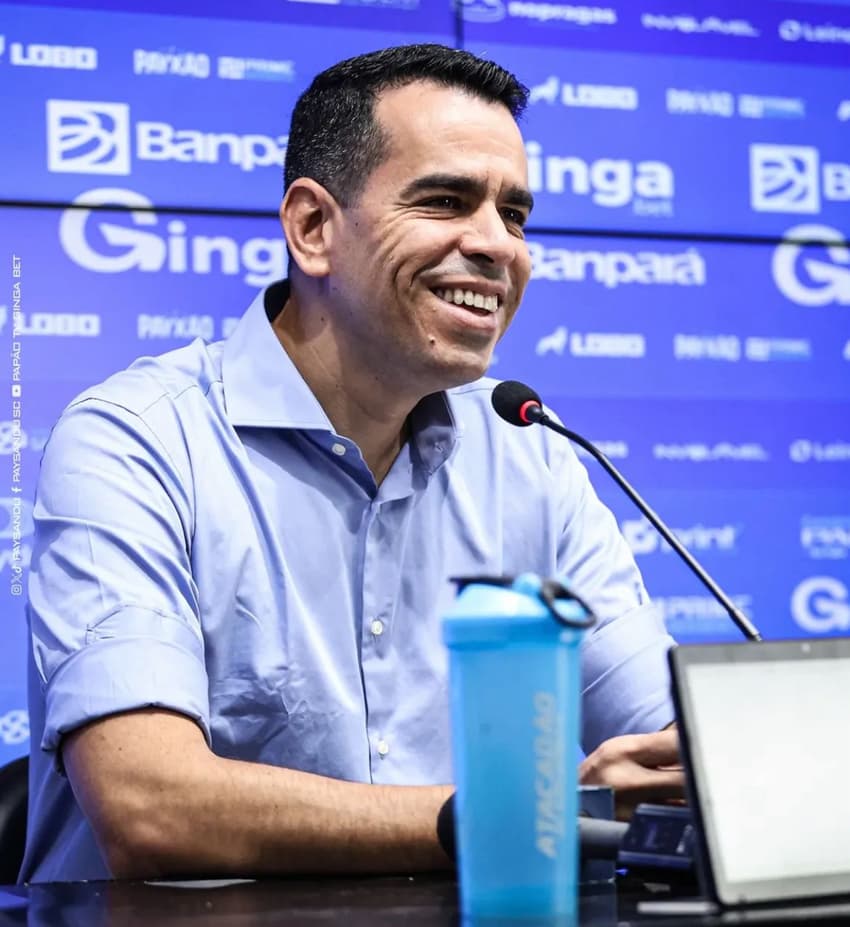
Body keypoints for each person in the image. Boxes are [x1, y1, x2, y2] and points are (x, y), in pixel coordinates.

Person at [21, 44, 683, 884]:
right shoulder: (134, 439)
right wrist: (513, 816)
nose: (496, 247)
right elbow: (150, 806)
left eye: (514, 216)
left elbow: (672, 748)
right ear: (312, 228)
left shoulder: (533, 450)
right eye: (445, 200)